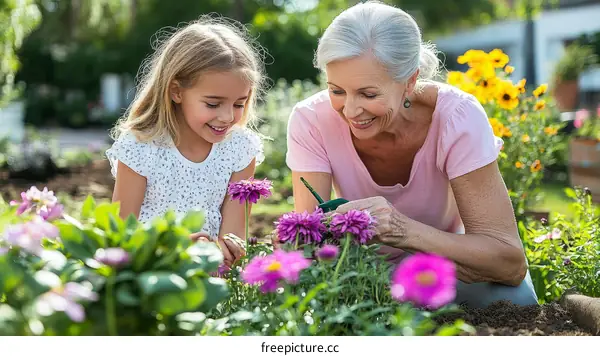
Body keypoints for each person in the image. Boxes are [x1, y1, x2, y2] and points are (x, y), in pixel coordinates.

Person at [285, 1, 537, 308]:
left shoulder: (457, 116)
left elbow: (508, 262)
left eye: (368, 94)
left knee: (518, 300)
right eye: (337, 90)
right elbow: (309, 245)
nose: (349, 111)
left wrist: (401, 230)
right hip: (362, 274)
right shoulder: (311, 120)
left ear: (410, 82)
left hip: (444, 267)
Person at [106, 17, 266, 266]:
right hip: (150, 272)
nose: (227, 117)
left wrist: (222, 253)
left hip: (211, 278)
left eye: (239, 103)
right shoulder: (141, 147)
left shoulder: (240, 149)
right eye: (213, 104)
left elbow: (235, 241)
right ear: (176, 91)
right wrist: (176, 248)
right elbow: (120, 236)